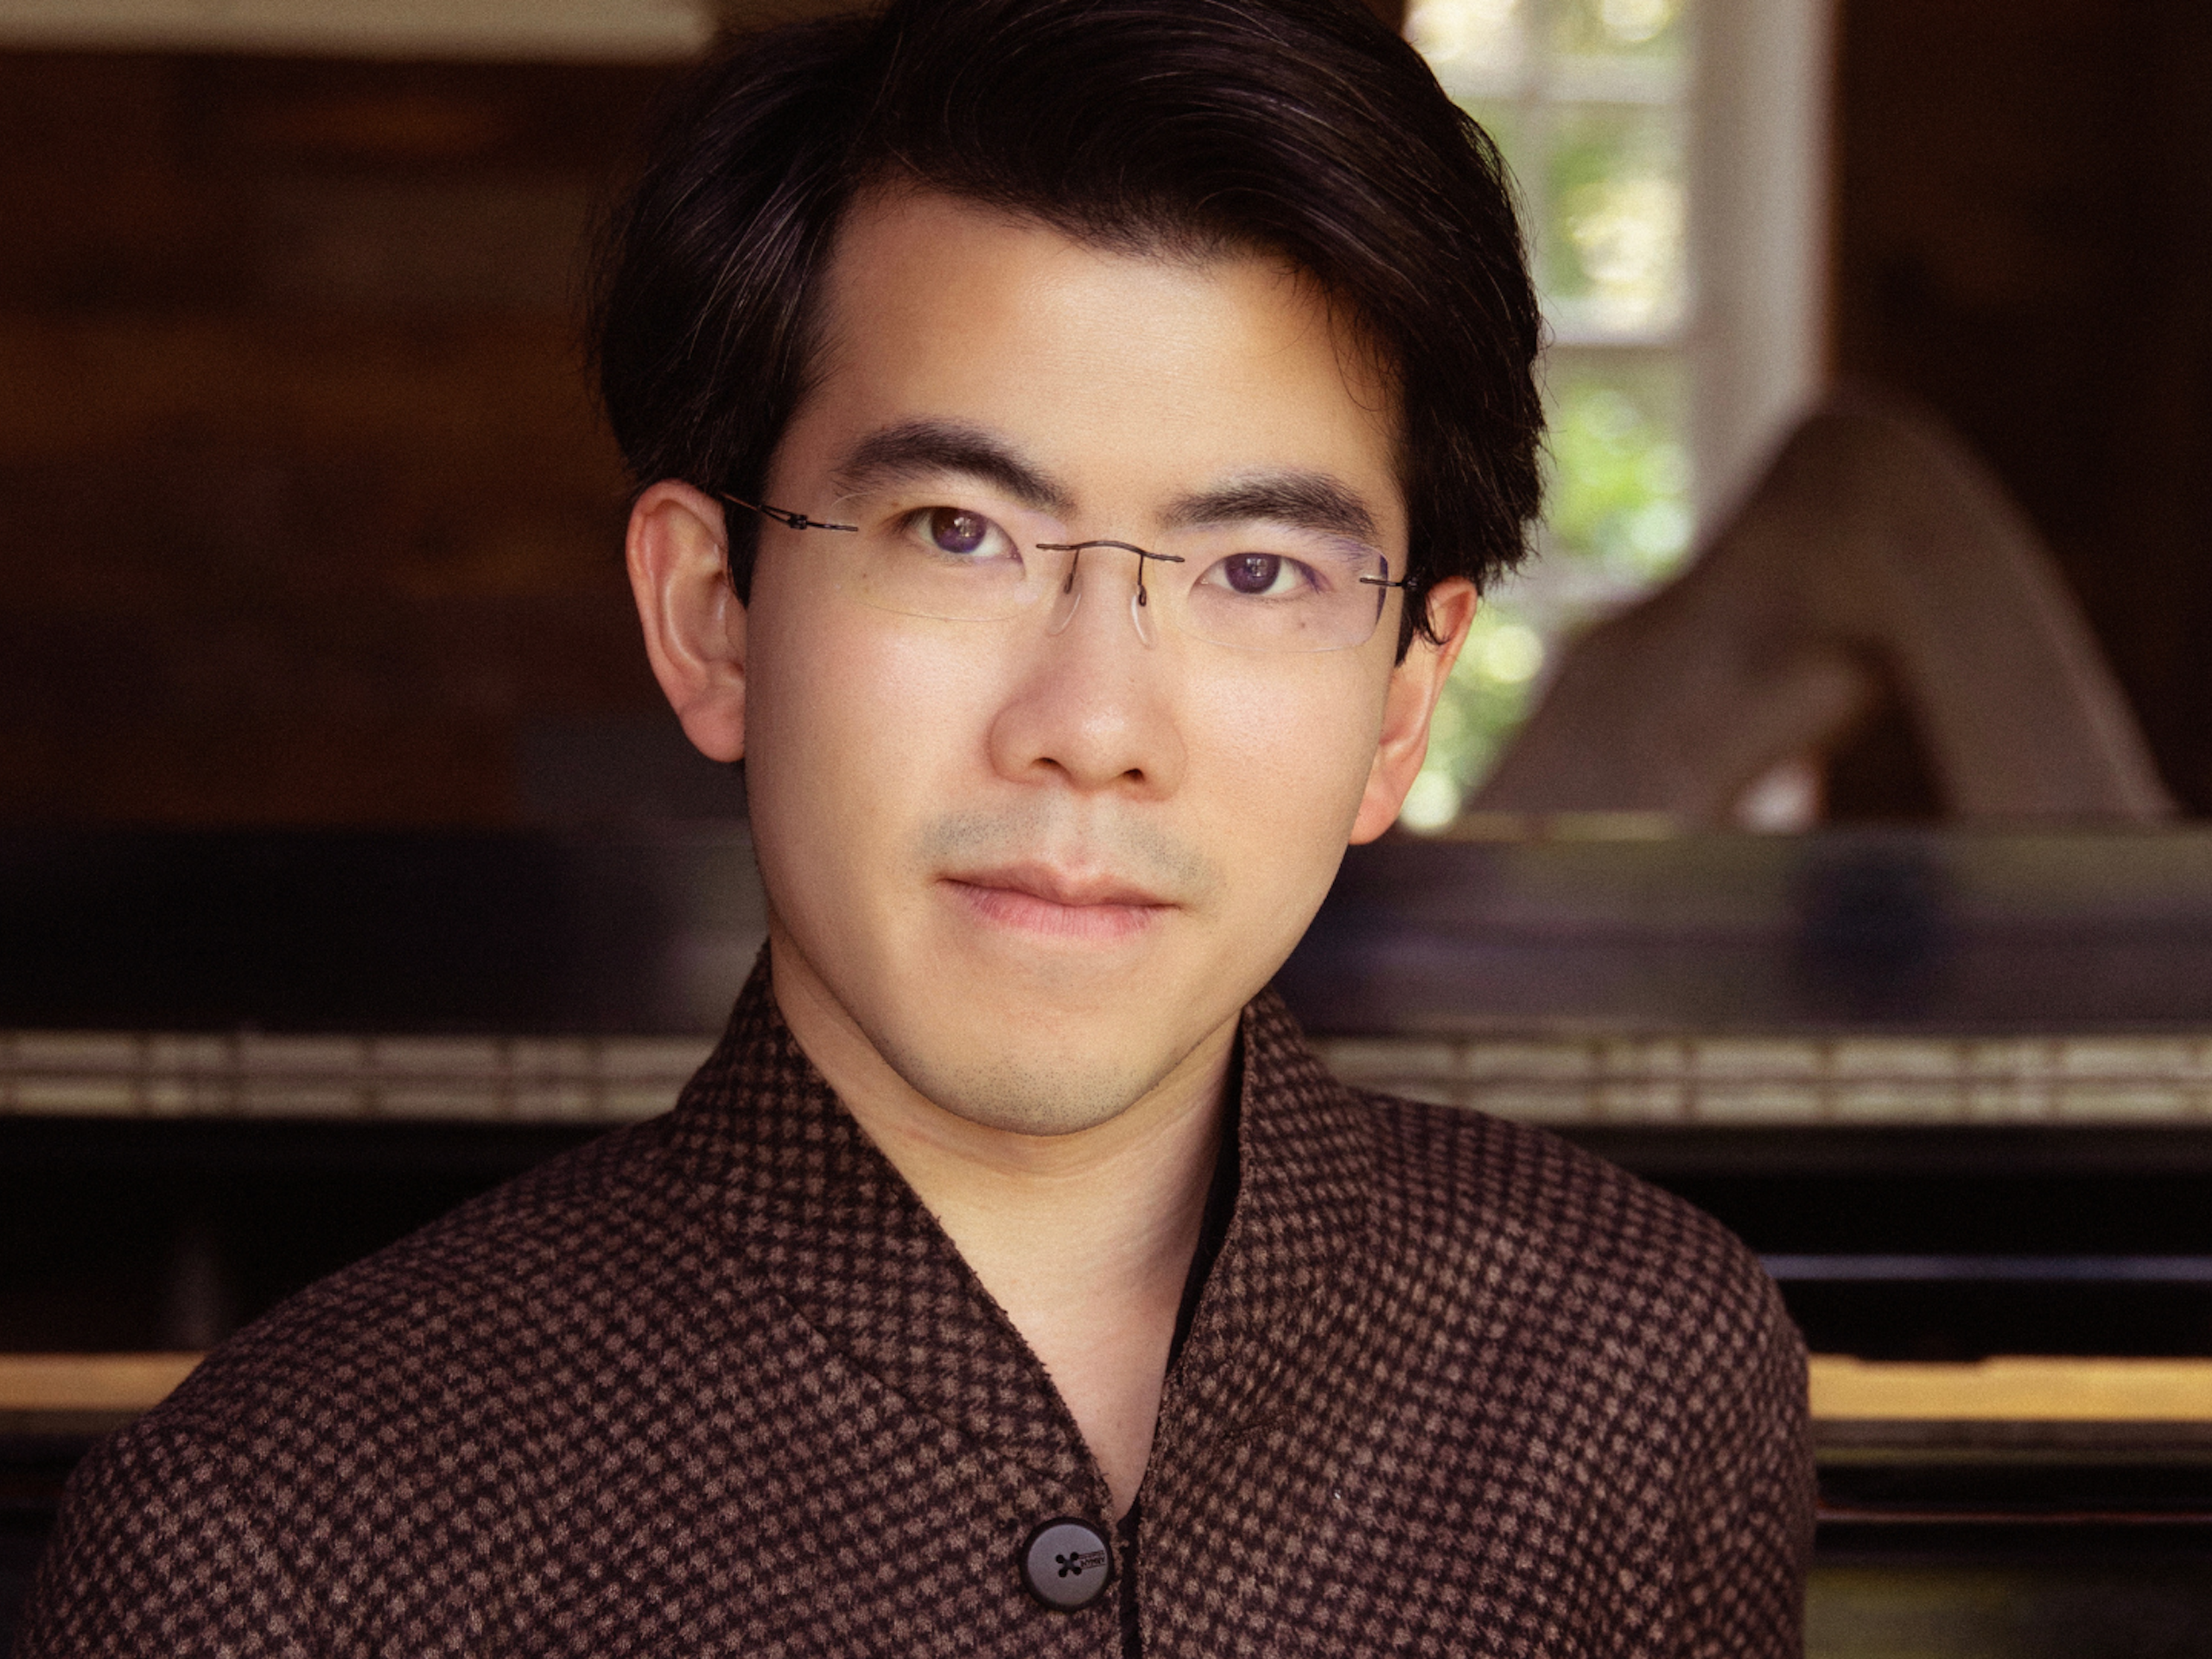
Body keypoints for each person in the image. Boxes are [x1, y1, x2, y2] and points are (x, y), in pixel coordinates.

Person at [17, 1, 1813, 1652]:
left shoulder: (1629, 1377)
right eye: (961, 534)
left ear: (1403, 703)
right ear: (712, 612)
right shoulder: (273, 1550)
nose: (1092, 728)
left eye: (1258, 570)